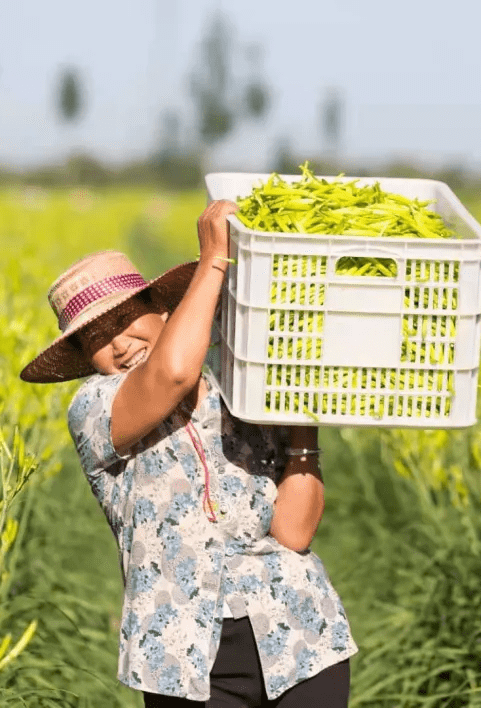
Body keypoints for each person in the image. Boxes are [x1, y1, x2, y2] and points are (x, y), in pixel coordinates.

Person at [20, 200, 358, 707]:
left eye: (127, 317)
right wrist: (214, 261)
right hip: (183, 658)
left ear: (163, 310)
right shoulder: (95, 408)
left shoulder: (240, 384)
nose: (117, 342)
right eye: (94, 337)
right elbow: (171, 373)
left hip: (300, 638)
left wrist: (300, 422)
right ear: (83, 359)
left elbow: (294, 532)